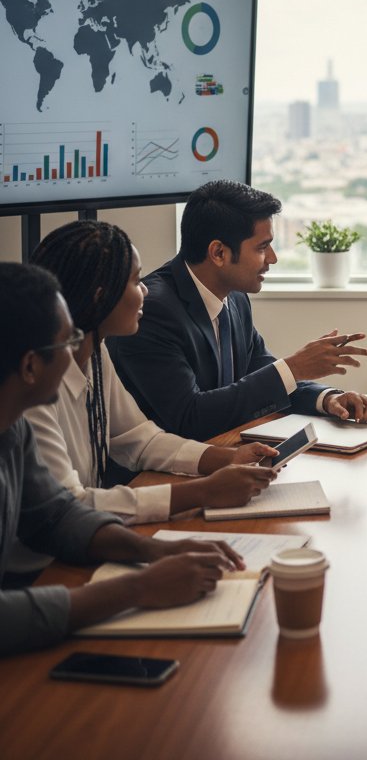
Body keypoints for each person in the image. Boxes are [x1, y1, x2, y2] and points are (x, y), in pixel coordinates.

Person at [0, 261, 244, 655]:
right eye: (67, 342)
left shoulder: (12, 427)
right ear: (29, 366)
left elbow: (57, 513)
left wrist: (155, 551)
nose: (76, 353)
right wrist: (138, 587)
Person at [19, 222, 276, 555]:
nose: (147, 291)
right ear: (101, 297)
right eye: (136, 281)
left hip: (86, 542)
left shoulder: (95, 353)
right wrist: (202, 493)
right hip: (43, 566)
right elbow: (71, 506)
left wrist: (224, 459)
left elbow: (137, 438)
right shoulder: (33, 389)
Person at [108, 180, 367, 440]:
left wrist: (327, 399)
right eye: (262, 247)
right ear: (218, 253)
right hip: (155, 475)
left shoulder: (235, 297)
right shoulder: (152, 310)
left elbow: (261, 377)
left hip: (221, 456)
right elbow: (190, 418)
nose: (273, 258)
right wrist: (294, 367)